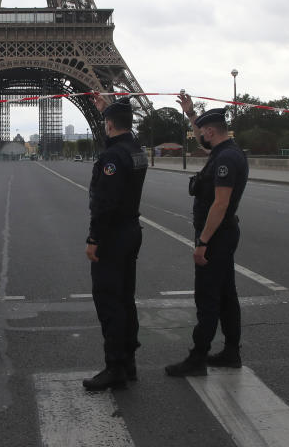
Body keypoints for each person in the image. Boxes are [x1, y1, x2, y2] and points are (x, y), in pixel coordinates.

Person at [165, 98, 249, 377]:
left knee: (208, 298)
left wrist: (203, 242)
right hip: (225, 234)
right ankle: (231, 352)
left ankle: (197, 358)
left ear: (211, 132)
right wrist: (191, 115)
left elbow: (220, 204)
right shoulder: (228, 151)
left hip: (217, 236)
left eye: (203, 132)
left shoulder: (225, 159)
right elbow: (204, 143)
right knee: (226, 296)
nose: (201, 136)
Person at [82, 94, 148, 391]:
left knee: (109, 301)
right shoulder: (136, 151)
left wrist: (94, 238)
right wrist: (105, 109)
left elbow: (104, 203)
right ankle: (128, 361)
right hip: (132, 229)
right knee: (125, 298)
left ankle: (114, 367)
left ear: (109, 125)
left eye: (106, 122)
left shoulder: (112, 157)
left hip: (112, 235)